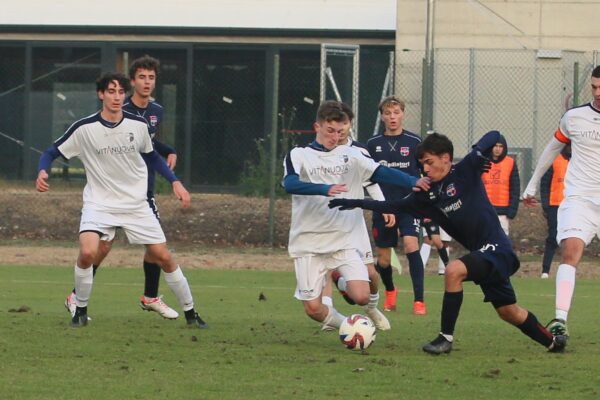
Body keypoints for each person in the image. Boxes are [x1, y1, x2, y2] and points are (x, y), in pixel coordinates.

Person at [329, 131, 567, 354]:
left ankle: (445, 338)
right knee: (508, 312)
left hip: (497, 248)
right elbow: (392, 205)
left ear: (446, 158)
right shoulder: (426, 195)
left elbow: (494, 135)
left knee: (453, 270)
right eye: (422, 164)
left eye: (429, 162)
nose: (425, 168)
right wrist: (355, 203)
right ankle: (552, 342)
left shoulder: (466, 170)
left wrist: (479, 154)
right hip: (481, 254)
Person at [36, 72, 208, 329]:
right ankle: (79, 310)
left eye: (120, 92)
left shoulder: (137, 125)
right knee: (87, 252)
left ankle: (191, 313)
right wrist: (42, 170)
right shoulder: (84, 128)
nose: (116, 97)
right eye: (111, 91)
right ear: (101, 94)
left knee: (163, 256)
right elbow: (51, 151)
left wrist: (175, 181)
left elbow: (152, 157)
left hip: (135, 204)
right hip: (99, 203)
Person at [283, 100, 429, 333]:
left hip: (344, 238)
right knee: (313, 309)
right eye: (330, 131)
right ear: (317, 127)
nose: (335, 137)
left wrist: (414, 181)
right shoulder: (299, 155)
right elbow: (289, 183)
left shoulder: (352, 154)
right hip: (308, 242)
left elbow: (381, 172)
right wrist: (324, 189)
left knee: (361, 295)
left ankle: (363, 310)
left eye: (340, 131)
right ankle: (349, 326)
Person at [63, 55, 180, 320]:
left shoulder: (156, 111)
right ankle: (76, 296)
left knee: (155, 248)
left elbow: (147, 145)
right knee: (102, 248)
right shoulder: (119, 109)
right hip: (112, 193)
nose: (147, 82)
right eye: (141, 77)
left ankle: (150, 296)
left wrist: (168, 150)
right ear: (132, 81)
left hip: (141, 191)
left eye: (151, 77)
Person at [522, 65, 600, 340]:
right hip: (579, 198)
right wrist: (532, 183)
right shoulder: (574, 117)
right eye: (594, 86)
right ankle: (560, 321)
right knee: (570, 252)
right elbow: (552, 148)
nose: (597, 92)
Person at [320, 102, 392, 331]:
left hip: (353, 222)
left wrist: (385, 207)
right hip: (325, 221)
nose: (339, 131)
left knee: (371, 274)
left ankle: (371, 307)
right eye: (334, 126)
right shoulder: (318, 151)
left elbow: (371, 181)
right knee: (324, 268)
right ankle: (329, 315)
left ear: (350, 125)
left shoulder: (359, 151)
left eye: (344, 125)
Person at [366, 96, 426, 315]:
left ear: (403, 114)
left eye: (396, 113)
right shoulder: (373, 144)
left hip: (409, 205)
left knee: (411, 245)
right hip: (383, 206)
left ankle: (419, 301)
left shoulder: (414, 142)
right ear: (382, 116)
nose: (393, 117)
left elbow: (423, 173)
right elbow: (369, 177)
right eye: (388, 113)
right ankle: (391, 290)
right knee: (383, 259)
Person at [539, 145, 571, 279]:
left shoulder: (580, 161)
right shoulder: (555, 160)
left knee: (571, 239)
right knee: (552, 237)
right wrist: (546, 205)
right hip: (555, 205)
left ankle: (568, 270)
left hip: (573, 205)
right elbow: (544, 184)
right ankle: (545, 271)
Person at [481, 134, 520, 236]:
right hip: (485, 208)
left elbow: (515, 188)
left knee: (502, 238)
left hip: (503, 210)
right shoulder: (482, 161)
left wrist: (512, 209)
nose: (498, 149)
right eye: (495, 146)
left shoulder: (510, 163)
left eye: (500, 146)